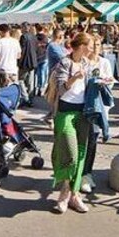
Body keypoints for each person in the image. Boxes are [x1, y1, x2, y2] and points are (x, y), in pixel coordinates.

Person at [50, 32, 92, 214]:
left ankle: (73, 194)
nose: (92, 49)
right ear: (81, 46)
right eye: (90, 45)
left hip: (83, 113)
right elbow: (60, 89)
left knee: (81, 153)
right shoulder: (64, 63)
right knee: (70, 153)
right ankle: (65, 191)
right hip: (65, 113)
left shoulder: (87, 63)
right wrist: (74, 78)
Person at [80, 33, 115, 194]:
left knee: (93, 140)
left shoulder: (105, 62)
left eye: (98, 45)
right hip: (81, 105)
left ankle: (87, 174)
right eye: (93, 45)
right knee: (81, 141)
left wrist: (104, 83)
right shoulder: (82, 62)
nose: (96, 48)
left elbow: (111, 81)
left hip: (97, 106)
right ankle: (78, 173)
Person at [19, 25, 39, 106]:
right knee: (31, 81)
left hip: (25, 62)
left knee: (20, 80)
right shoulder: (34, 37)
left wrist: (19, 62)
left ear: (23, 28)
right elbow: (36, 49)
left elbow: (22, 50)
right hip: (33, 62)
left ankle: (26, 98)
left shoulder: (23, 37)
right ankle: (30, 99)